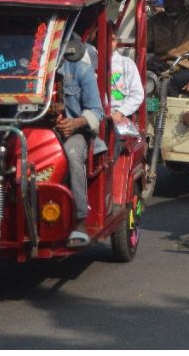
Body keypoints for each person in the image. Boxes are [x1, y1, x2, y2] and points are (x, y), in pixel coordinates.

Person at [56, 39, 107, 247]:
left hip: (75, 134)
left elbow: (97, 111)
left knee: (71, 151)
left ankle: (79, 220)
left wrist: (74, 122)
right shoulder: (28, 67)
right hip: (38, 131)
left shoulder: (80, 68)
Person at [108, 27, 144, 138]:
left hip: (118, 116)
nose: (109, 44)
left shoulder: (127, 64)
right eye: (106, 40)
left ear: (117, 41)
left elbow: (137, 94)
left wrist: (120, 113)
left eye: (112, 40)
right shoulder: (89, 61)